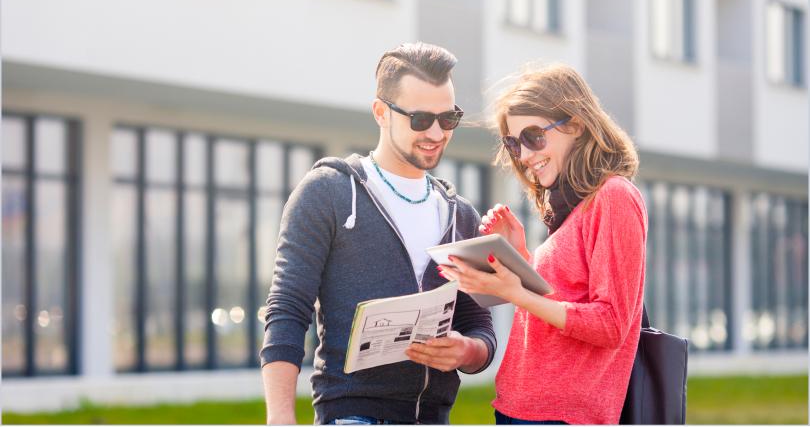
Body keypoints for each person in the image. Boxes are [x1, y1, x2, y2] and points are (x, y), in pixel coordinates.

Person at [260, 42, 496, 425]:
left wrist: (467, 351)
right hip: (353, 415)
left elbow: (478, 324)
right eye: (420, 119)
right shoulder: (329, 193)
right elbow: (287, 309)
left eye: (447, 118)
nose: (436, 133)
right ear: (381, 113)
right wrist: (280, 418)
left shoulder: (460, 214)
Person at [438, 63, 646, 424]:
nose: (524, 155)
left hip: (563, 416)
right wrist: (520, 257)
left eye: (533, 136)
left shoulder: (614, 197)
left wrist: (516, 291)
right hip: (521, 408)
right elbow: (563, 300)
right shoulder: (574, 208)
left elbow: (611, 324)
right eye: (513, 143)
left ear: (576, 124)